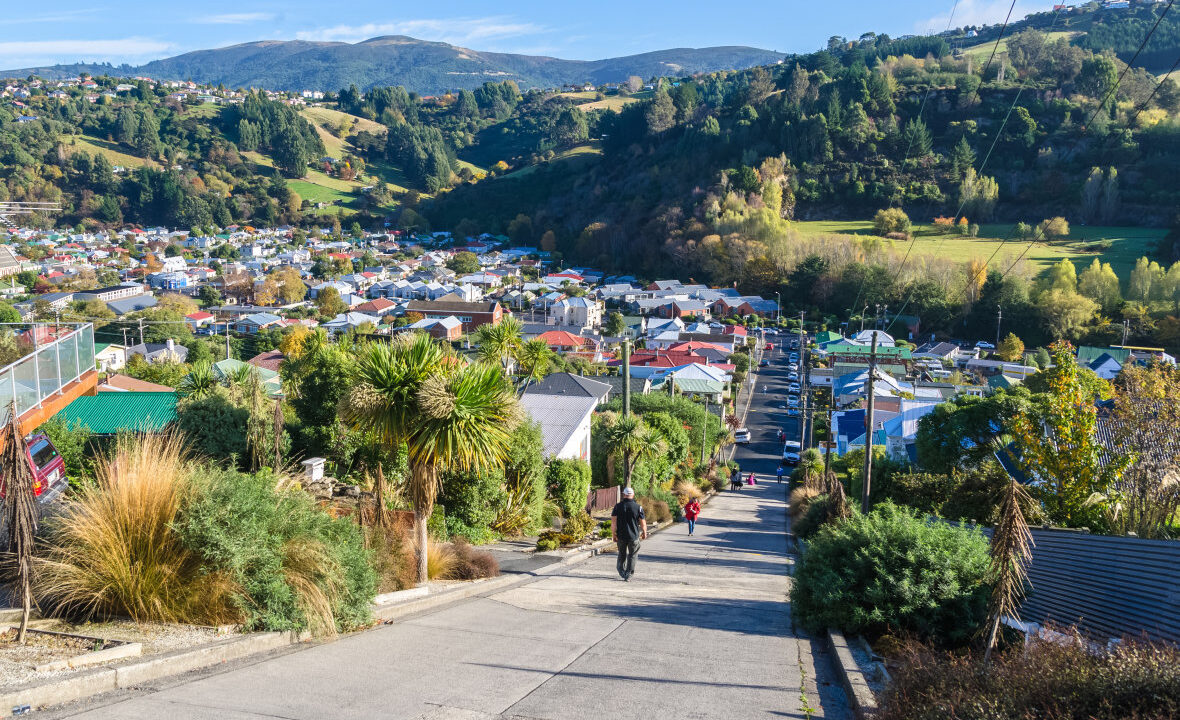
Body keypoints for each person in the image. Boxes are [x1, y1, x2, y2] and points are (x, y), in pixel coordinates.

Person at [610, 486, 648, 581]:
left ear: (624, 495)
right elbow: (643, 522)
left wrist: (613, 534)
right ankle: (629, 574)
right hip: (633, 536)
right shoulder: (638, 507)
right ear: (633, 495)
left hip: (621, 536)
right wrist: (644, 532)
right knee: (632, 555)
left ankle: (621, 571)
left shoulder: (617, 507)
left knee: (622, 554)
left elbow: (613, 522)